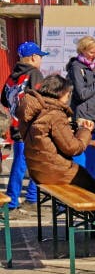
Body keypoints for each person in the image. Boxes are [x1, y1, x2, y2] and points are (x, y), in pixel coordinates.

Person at [16, 75, 95, 234]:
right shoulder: (55, 114)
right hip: (56, 171)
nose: (68, 99)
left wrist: (73, 125)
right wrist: (86, 131)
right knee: (91, 184)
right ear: (60, 93)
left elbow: (47, 136)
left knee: (86, 181)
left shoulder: (34, 110)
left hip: (38, 171)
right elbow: (73, 148)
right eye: (68, 94)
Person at [1, 42, 47, 217]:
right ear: (34, 57)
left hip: (16, 126)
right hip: (31, 127)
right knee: (27, 164)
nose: (41, 60)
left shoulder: (12, 76)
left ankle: (30, 199)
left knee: (27, 163)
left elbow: (4, 100)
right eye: (40, 56)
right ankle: (13, 202)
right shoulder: (34, 74)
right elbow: (40, 99)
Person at [66, 35, 95, 184]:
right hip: (82, 118)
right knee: (83, 160)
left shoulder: (93, 68)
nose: (94, 55)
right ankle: (81, 192)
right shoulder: (76, 68)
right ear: (82, 50)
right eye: (91, 52)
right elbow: (81, 94)